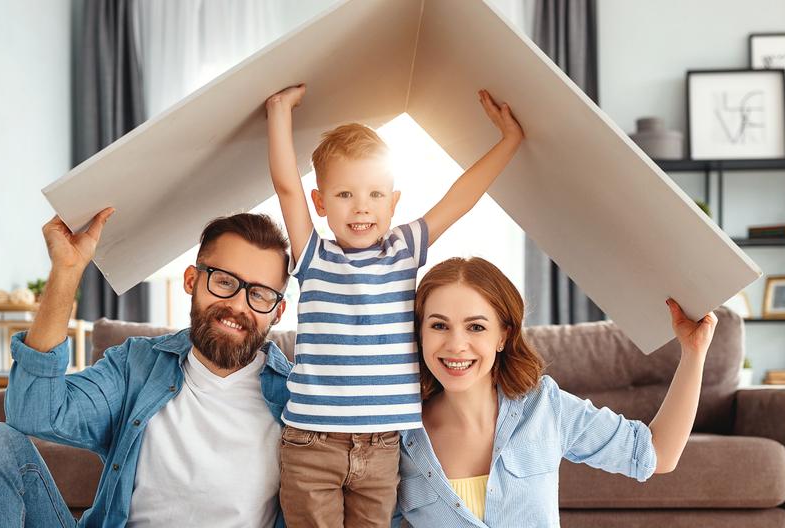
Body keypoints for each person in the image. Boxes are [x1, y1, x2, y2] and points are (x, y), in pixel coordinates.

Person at [264, 84, 525, 527]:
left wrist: (509, 142)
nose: (361, 208)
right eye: (345, 195)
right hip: (311, 445)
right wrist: (279, 112)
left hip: (384, 447)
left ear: (394, 201)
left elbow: (459, 199)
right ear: (321, 203)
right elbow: (287, 186)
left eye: (375, 195)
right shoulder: (313, 254)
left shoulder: (404, 248)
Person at [0, 208, 296, 528]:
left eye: (261, 294)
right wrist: (67, 271)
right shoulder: (137, 366)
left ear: (277, 312)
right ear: (192, 280)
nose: (237, 305)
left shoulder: (298, 396)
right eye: (223, 281)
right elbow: (33, 413)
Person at [395, 257, 718, 527]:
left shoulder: (544, 407)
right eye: (439, 325)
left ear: (503, 336)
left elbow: (656, 455)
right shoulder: (396, 433)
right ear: (420, 333)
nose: (455, 345)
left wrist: (693, 353)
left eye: (476, 327)